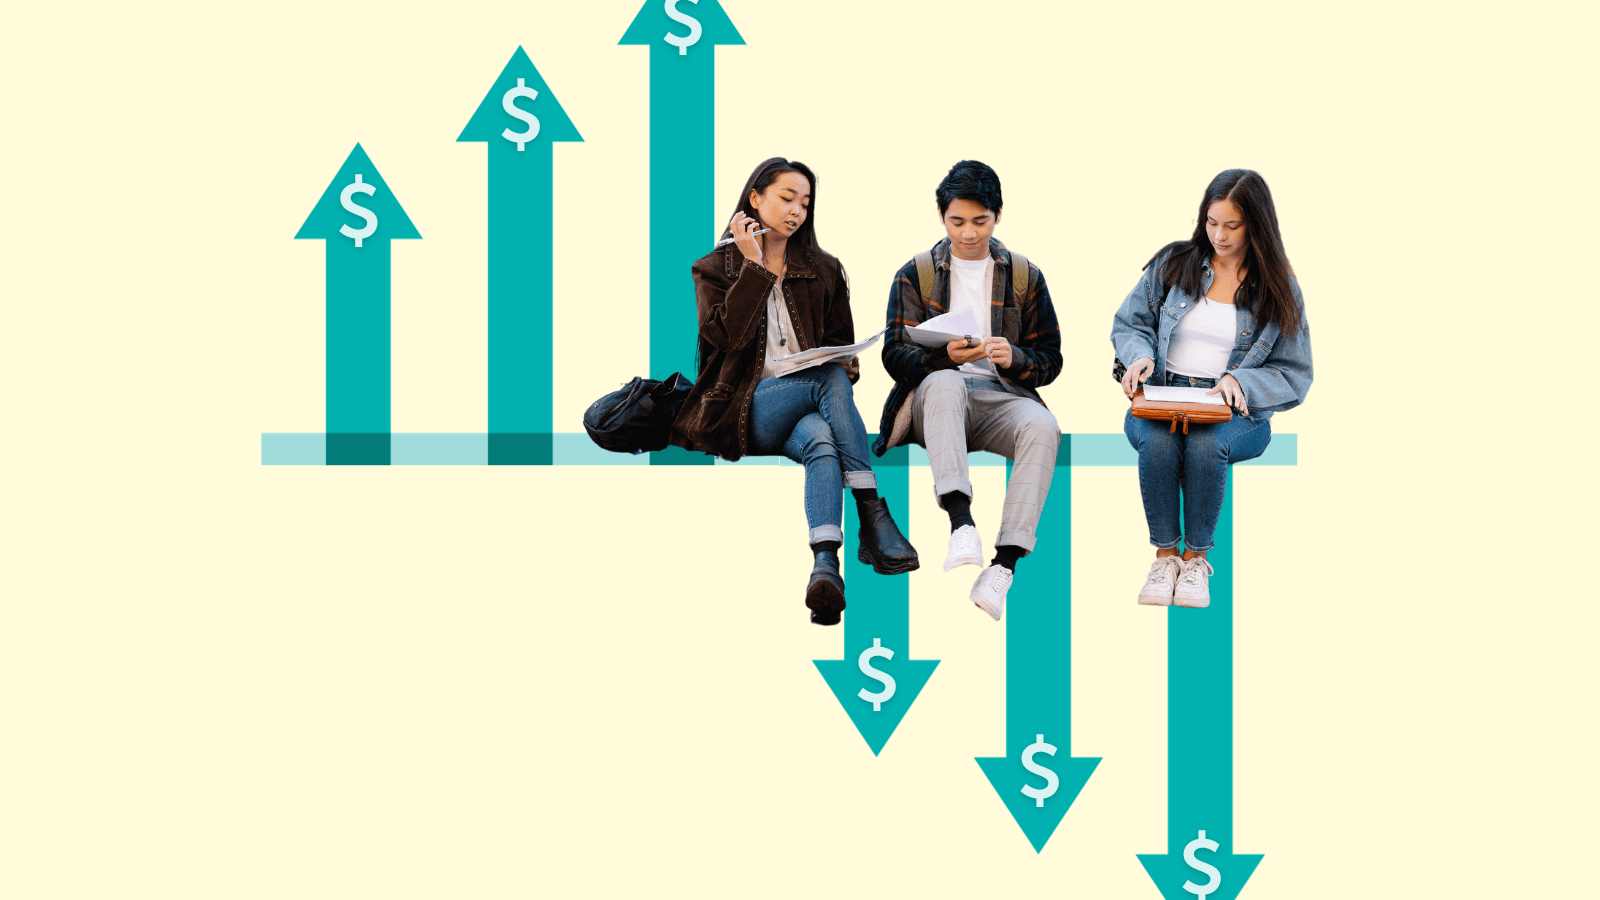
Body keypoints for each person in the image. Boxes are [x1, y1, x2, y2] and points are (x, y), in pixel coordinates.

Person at [670, 157, 919, 625]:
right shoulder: (713, 268)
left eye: (805, 203)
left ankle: (826, 562)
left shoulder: (824, 269)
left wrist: (846, 363)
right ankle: (872, 513)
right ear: (755, 199)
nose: (797, 211)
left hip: (809, 409)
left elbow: (841, 352)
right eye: (787, 198)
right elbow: (721, 340)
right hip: (741, 411)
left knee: (821, 438)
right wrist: (755, 269)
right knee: (824, 383)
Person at [1110, 168, 1313, 608]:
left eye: (1232, 226)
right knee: (1161, 444)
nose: (1219, 235)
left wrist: (1241, 380)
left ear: (1256, 225)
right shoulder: (1173, 263)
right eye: (1211, 222)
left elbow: (1296, 374)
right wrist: (1139, 355)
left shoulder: (1279, 289)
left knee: (1204, 446)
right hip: (1163, 396)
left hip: (1237, 413)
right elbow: (1130, 323)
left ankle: (1196, 560)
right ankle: (1165, 559)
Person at [874, 160, 1063, 622]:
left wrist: (1014, 357)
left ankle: (1003, 567)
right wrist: (946, 358)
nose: (969, 233)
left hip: (1001, 398)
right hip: (935, 403)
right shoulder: (915, 273)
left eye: (980, 221)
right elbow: (893, 355)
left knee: (1043, 425)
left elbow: (1051, 359)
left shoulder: (1024, 275)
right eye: (958, 221)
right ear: (942, 217)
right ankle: (962, 525)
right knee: (942, 381)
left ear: (997, 216)